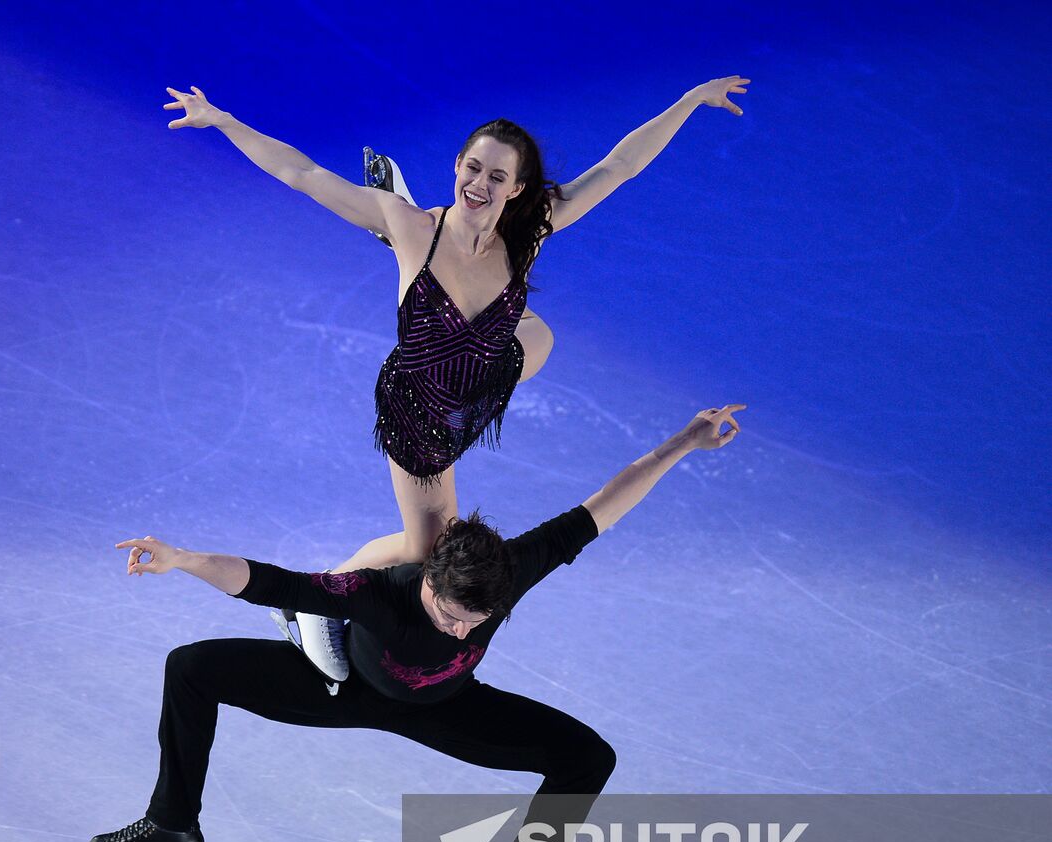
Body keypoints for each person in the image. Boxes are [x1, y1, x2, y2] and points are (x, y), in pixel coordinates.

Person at [87, 404, 745, 842]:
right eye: (450, 617)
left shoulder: (513, 567)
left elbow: (603, 506)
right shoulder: (379, 592)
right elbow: (268, 580)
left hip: (445, 705)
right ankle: (170, 827)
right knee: (192, 666)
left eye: (475, 623)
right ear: (429, 580)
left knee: (587, 756)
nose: (460, 633)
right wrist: (183, 560)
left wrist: (683, 443)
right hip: (341, 687)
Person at [162, 79, 750, 685]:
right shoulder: (415, 225)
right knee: (425, 555)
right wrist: (223, 120)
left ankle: (485, 326)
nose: (480, 184)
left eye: (497, 177)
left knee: (538, 337)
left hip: (478, 388)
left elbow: (620, 166)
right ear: (457, 167)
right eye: (473, 169)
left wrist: (685, 102)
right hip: (420, 413)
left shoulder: (529, 233)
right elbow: (302, 173)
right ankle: (308, 605)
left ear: (517, 189)